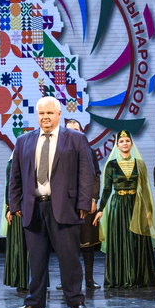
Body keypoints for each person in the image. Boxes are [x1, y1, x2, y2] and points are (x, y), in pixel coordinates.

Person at [8, 95, 96, 308]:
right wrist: (14, 204)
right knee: (36, 259)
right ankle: (35, 301)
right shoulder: (23, 141)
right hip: (33, 207)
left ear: (59, 114)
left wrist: (84, 202)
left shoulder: (76, 139)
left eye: (49, 113)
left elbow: (87, 173)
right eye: (41, 113)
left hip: (66, 207)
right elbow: (15, 176)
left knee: (69, 258)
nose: (45, 117)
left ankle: (75, 300)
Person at [94, 131, 155, 288]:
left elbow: (145, 188)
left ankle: (139, 278)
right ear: (117, 145)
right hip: (118, 205)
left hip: (137, 204)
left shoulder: (140, 164)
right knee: (120, 239)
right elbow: (107, 189)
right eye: (121, 141)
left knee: (137, 240)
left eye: (127, 141)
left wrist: (149, 210)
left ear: (131, 143)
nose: (125, 143)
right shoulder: (111, 164)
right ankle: (121, 278)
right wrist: (101, 209)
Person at [67, 118, 102, 291]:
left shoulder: (90, 151)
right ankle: (68, 280)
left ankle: (89, 279)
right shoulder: (59, 151)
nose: (73, 133)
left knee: (88, 243)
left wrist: (94, 199)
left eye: (76, 130)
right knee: (67, 245)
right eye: (70, 130)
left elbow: (96, 176)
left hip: (86, 203)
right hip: (66, 204)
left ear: (82, 132)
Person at [2, 156, 30, 293]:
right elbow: (10, 185)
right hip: (19, 207)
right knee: (20, 244)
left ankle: (35, 281)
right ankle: (22, 281)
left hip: (36, 204)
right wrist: (10, 207)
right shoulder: (13, 160)